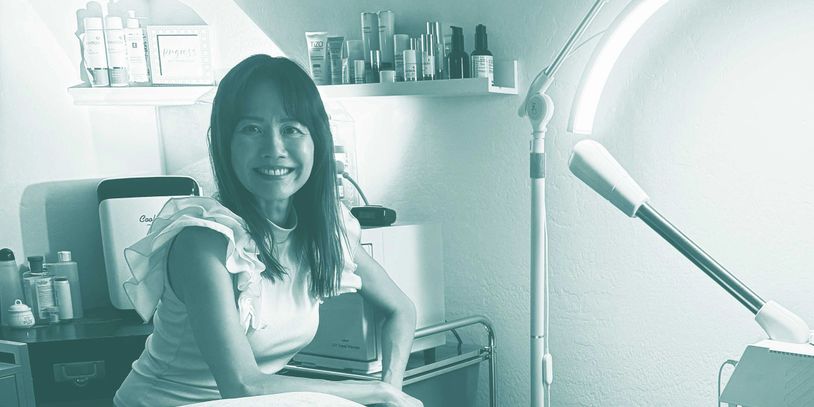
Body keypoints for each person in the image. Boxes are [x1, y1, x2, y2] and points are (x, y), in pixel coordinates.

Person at [114, 55, 422, 407]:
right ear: (225, 144)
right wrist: (373, 393)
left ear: (316, 141)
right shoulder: (204, 241)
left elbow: (401, 310)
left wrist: (391, 388)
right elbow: (242, 386)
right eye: (251, 129)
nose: (274, 149)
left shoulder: (329, 228)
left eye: (291, 128)